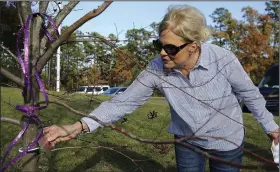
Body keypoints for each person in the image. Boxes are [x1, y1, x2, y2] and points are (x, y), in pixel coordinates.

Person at [43, 5, 279, 172]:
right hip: (187, 142)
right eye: (159, 45)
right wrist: (77, 126)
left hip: (228, 141)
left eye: (171, 48)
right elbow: (123, 102)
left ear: (193, 46)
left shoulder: (223, 59)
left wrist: (270, 126)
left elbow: (249, 93)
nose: (162, 52)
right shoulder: (157, 68)